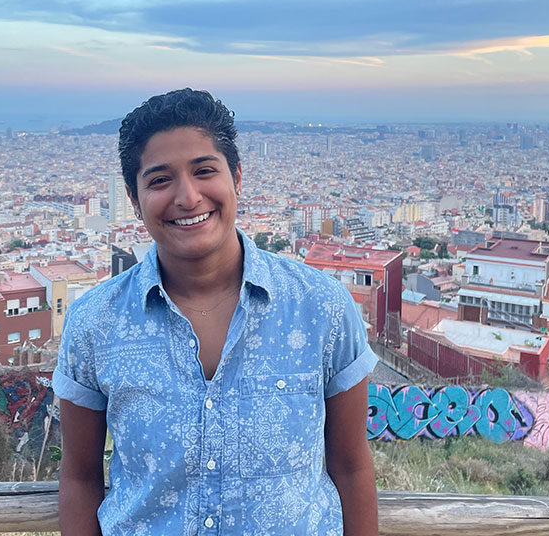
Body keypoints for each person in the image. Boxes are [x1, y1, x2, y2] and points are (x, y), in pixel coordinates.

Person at [54, 89, 379, 535]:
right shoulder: (95, 323)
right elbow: (78, 478)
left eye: (204, 171)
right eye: (160, 180)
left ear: (237, 177)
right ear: (134, 198)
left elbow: (351, 466)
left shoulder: (320, 307)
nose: (188, 197)